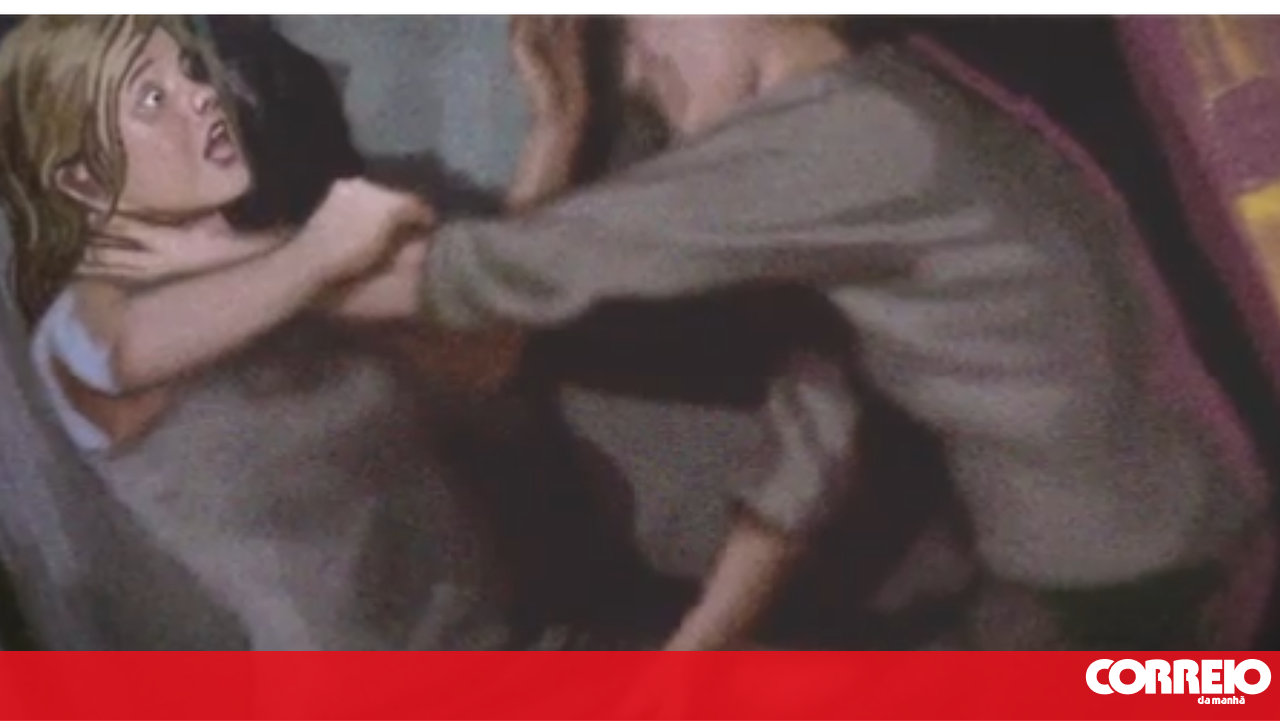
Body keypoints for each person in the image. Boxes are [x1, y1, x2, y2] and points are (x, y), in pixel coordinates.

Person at [319, 16, 1276, 650]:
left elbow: (489, 276)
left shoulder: (854, 134)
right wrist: (689, 664)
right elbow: (812, 437)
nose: (643, 80)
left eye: (640, 37)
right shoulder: (894, 115)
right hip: (1141, 577)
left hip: (1135, 603)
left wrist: (288, 263)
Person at [0, 14, 581, 650]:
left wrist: (556, 127)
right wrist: (322, 254)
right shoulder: (85, 326)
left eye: (189, 72)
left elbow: (484, 352)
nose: (202, 95)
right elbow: (108, 351)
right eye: (151, 98)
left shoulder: (292, 263)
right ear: (82, 179)